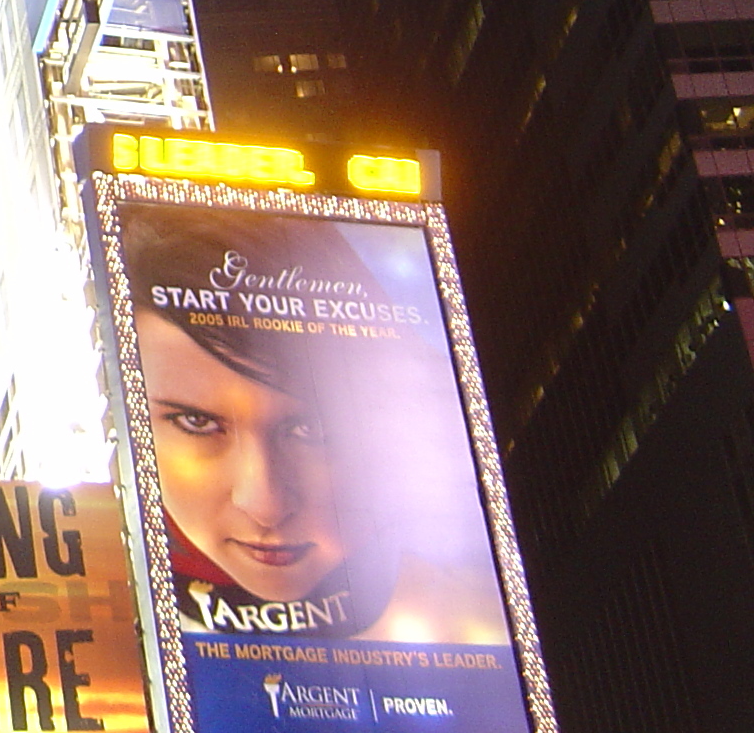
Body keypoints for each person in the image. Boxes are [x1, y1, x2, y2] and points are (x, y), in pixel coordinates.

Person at [120, 204, 508, 646]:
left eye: (314, 431)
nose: (264, 504)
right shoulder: (113, 594)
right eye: (195, 421)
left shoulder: (482, 604)